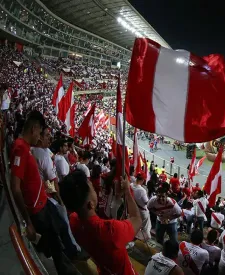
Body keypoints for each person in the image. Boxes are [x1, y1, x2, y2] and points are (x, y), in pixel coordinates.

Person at [10, 111, 78, 274]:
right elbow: (15, 187)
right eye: (40, 133)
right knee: (56, 246)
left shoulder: (26, 147)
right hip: (37, 211)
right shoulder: (20, 149)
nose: (40, 137)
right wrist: (28, 222)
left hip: (43, 204)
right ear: (34, 129)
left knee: (58, 233)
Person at [60, 170, 142, 274]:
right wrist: (127, 191)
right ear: (91, 204)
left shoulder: (73, 221)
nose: (95, 191)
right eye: (93, 189)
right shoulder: (111, 230)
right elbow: (137, 219)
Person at [132, 171, 151, 241]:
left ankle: (135, 237)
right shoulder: (142, 190)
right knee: (144, 227)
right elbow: (146, 202)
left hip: (135, 208)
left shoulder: (131, 185)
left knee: (136, 224)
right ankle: (142, 239)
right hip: (143, 211)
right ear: (142, 180)